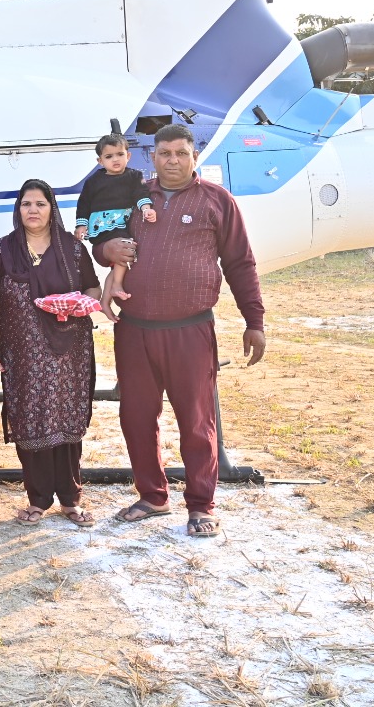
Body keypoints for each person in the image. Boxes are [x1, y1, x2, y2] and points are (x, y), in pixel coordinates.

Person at [96, 125, 266, 538]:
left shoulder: (216, 202)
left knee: (196, 420)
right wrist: (106, 250)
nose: (172, 159)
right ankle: (153, 495)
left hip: (190, 329)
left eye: (180, 153)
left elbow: (240, 263)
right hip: (135, 329)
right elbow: (104, 242)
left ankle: (201, 504)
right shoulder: (132, 198)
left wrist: (254, 321)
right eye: (164, 152)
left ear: (194, 157)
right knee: (136, 416)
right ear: (152, 157)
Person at [0, 179, 104, 526]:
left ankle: (70, 500)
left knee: (66, 420)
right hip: (22, 354)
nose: (33, 210)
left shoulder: (73, 249)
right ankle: (37, 500)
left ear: (52, 208)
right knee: (30, 419)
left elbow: (92, 287)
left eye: (40, 204)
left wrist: (80, 304)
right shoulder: (4, 249)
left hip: (69, 350)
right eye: (26, 204)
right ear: (18, 210)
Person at [76, 134, 156, 314]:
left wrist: (146, 209)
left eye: (120, 154)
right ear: (100, 161)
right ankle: (117, 285)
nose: (115, 159)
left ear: (128, 156)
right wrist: (81, 225)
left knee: (117, 262)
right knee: (125, 248)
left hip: (122, 223)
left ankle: (105, 302)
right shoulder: (93, 181)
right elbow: (84, 203)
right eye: (109, 156)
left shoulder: (134, 176)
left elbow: (141, 194)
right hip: (101, 226)